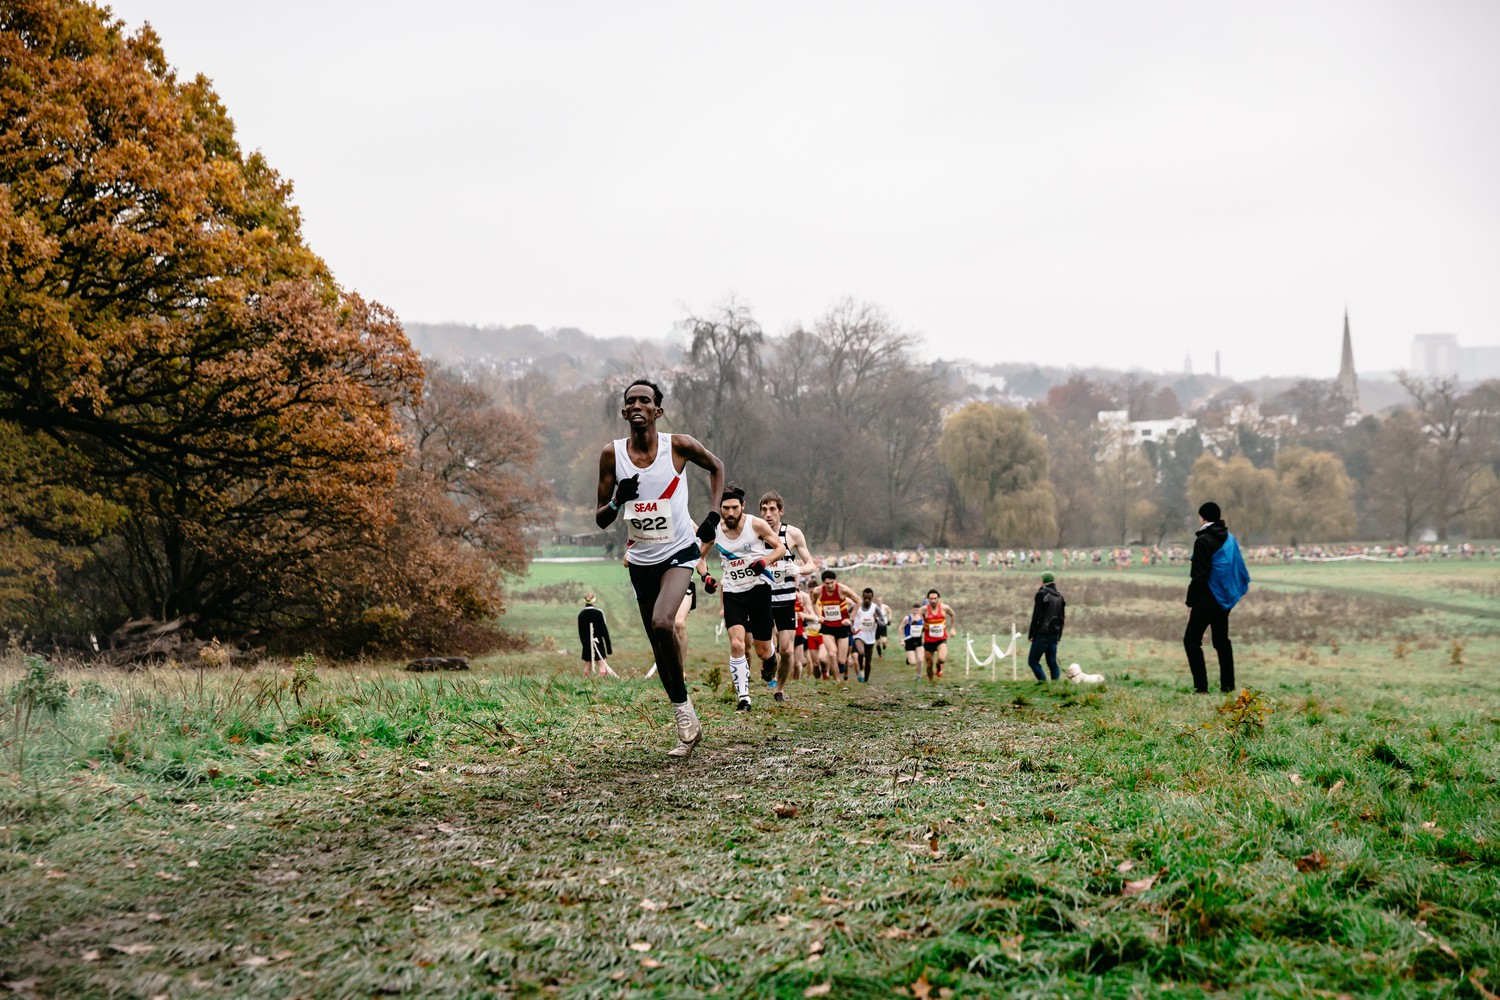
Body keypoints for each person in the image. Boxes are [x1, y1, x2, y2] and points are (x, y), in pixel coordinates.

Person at [596, 378, 724, 757]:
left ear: (658, 411)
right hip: (641, 560)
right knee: (659, 646)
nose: (638, 405)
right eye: (631, 401)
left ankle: (684, 716)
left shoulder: (678, 446)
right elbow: (601, 518)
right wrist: (617, 500)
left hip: (679, 552)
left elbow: (717, 467)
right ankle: (686, 716)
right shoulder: (612, 455)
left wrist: (714, 514)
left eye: (645, 400)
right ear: (624, 412)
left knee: (663, 623)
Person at [698, 484, 786, 711]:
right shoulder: (714, 530)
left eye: (734, 508)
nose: (730, 513)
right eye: (725, 508)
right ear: (720, 508)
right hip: (733, 593)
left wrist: (764, 562)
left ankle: (771, 658)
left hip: (759, 590)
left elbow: (780, 548)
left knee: (762, 651)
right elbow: (699, 557)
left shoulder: (756, 524)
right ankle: (744, 698)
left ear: (743, 506)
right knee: (737, 644)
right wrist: (706, 577)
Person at [1184, 500, 1250, 694]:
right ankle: (1228, 686)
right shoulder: (1230, 539)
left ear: (1202, 517)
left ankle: (1201, 688)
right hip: (1224, 599)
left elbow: (1198, 576)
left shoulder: (1203, 541)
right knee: (1221, 642)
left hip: (1206, 599)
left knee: (1191, 641)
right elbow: (1236, 567)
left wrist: (1190, 602)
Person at [758, 492, 819, 702]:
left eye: (772, 509)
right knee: (766, 650)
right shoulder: (755, 533)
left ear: (781, 511)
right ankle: (769, 664)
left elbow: (811, 564)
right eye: (764, 510)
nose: (768, 514)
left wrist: (798, 569)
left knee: (787, 650)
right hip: (762, 598)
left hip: (785, 600)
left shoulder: (792, 533)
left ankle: (780, 689)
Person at [813, 570, 859, 681]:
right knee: (832, 654)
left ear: (836, 581)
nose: (830, 586)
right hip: (827, 626)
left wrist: (850, 619)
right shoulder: (817, 591)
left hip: (842, 626)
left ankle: (840, 668)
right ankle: (837, 681)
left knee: (841, 660)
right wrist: (819, 615)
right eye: (827, 583)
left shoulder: (843, 589)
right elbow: (813, 603)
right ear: (823, 583)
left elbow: (858, 601)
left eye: (832, 583)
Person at [1026, 572, 1066, 682]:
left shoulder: (1042, 594)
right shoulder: (1060, 596)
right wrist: (1059, 636)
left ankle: (1043, 682)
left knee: (1033, 661)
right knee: (1052, 662)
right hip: (1054, 634)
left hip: (1042, 634)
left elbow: (1036, 616)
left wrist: (1031, 634)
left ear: (1043, 581)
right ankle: (1055, 684)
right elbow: (1062, 618)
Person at [577, 594, 619, 678]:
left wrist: (585, 644)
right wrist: (609, 647)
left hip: (586, 644)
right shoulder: (598, 613)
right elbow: (604, 631)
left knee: (587, 665)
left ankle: (585, 681)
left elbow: (581, 633)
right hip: (598, 643)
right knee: (602, 665)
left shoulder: (581, 615)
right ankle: (601, 681)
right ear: (594, 601)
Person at [919, 589, 956, 681]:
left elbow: (953, 614)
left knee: (942, 659)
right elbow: (917, 619)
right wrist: (916, 622)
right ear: (928, 599)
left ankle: (938, 665)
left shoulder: (945, 608)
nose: (933, 601)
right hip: (928, 640)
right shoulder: (924, 609)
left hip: (941, 639)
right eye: (931, 599)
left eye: (935, 598)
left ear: (938, 598)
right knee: (929, 664)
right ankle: (931, 682)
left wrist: (952, 628)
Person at [850, 588, 880, 682]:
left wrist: (876, 619)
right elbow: (846, 614)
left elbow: (883, 624)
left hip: (870, 637)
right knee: (861, 652)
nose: (867, 600)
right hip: (858, 634)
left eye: (869, 598)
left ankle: (865, 680)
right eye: (865, 598)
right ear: (862, 597)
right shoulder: (856, 606)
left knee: (868, 661)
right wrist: (850, 622)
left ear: (872, 597)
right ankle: (861, 669)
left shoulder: (875, 608)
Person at [901, 602, 924, 674]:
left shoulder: (923, 619)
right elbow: (900, 628)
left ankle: (919, 676)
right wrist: (901, 640)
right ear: (912, 610)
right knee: (913, 662)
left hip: (918, 640)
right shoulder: (907, 618)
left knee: (920, 659)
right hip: (909, 640)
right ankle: (909, 659)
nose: (916, 612)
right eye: (915, 610)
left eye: (918, 610)